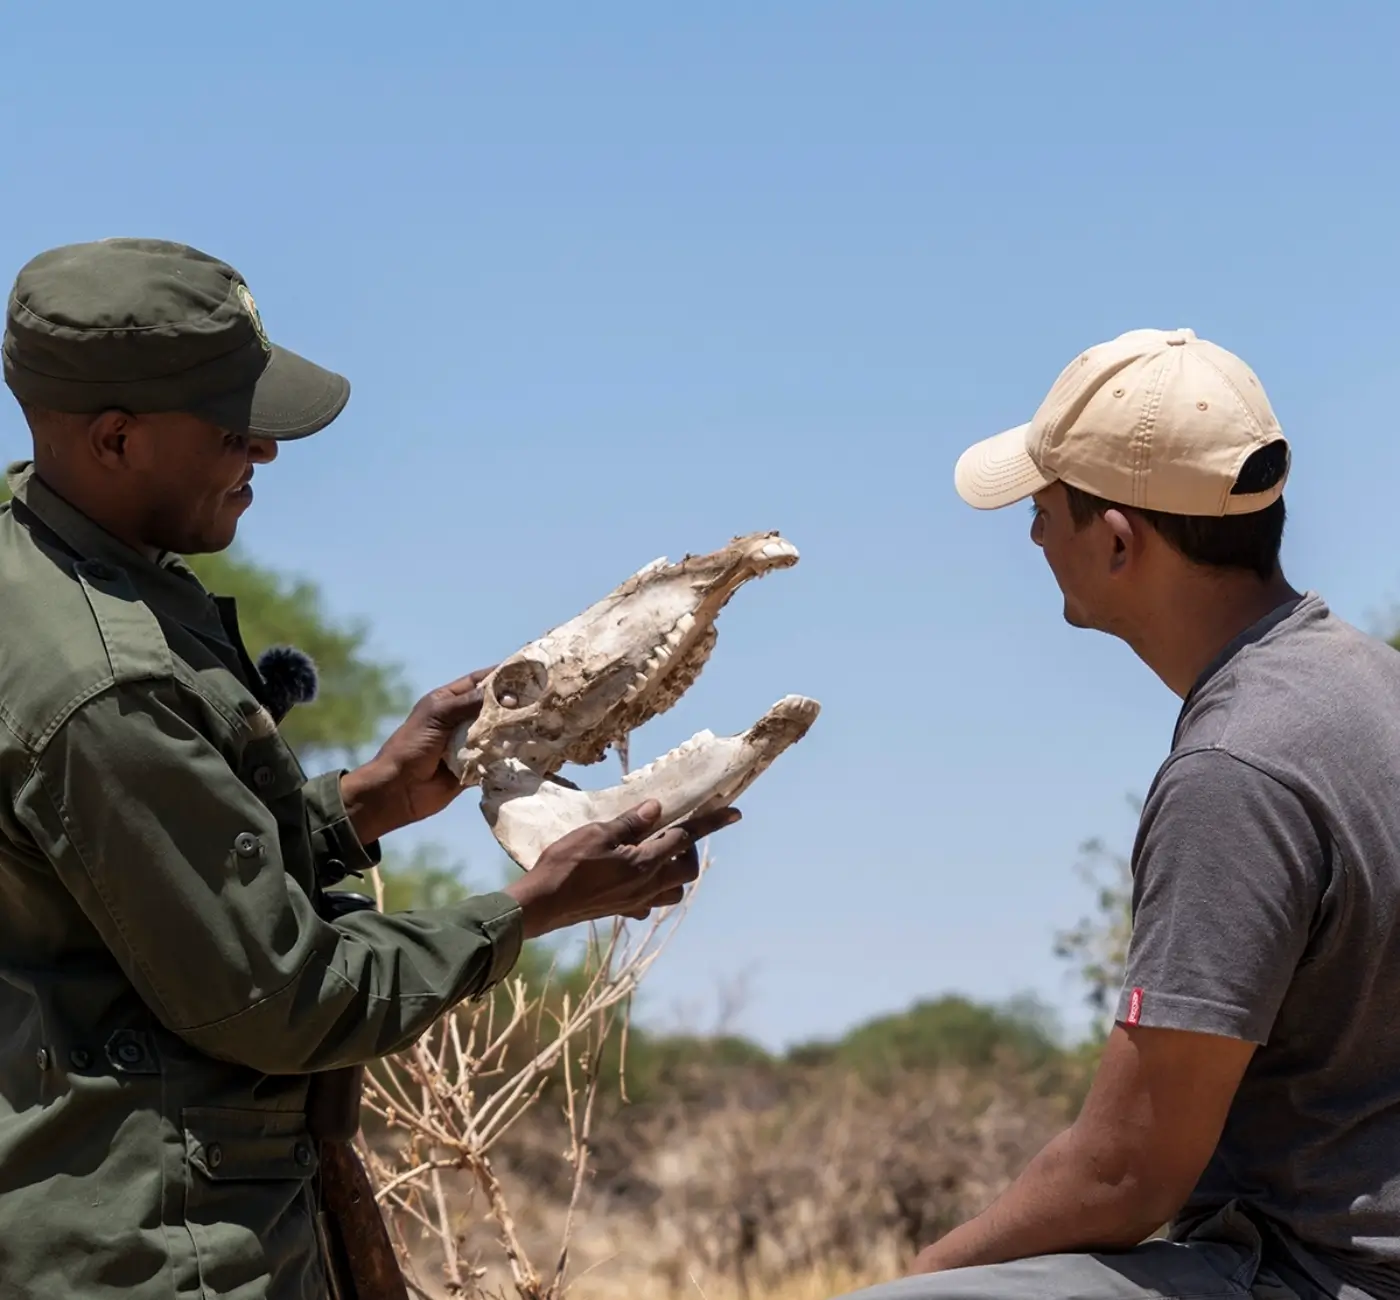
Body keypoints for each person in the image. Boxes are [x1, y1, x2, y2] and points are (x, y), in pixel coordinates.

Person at [0, 237, 739, 1300]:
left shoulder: (49, 565)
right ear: (114, 438)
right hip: (161, 1252)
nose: (263, 451)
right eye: (230, 429)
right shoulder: (103, 681)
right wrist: (532, 907)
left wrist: (368, 801)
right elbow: (277, 996)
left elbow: (131, 879)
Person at [841, 327, 1400, 1300]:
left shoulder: (1235, 768)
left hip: (1320, 1273)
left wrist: (920, 1271)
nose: (1029, 536)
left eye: (1042, 507)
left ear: (1114, 540)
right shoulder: (1370, 684)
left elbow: (1127, 1170)